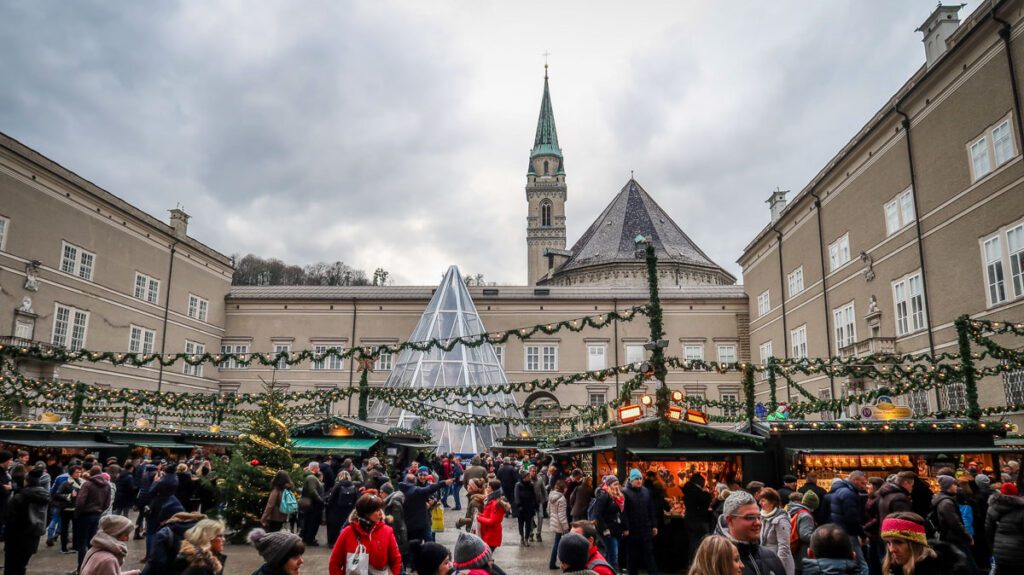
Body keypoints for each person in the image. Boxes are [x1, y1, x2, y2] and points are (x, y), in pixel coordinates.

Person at [329, 493, 401, 575]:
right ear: (366, 513)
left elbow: (396, 560)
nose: (381, 514)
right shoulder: (347, 532)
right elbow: (334, 563)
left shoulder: (387, 531)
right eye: (377, 510)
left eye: (380, 510)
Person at [880, 512, 969, 575]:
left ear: (916, 544)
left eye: (898, 542)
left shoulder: (940, 569)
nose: (891, 549)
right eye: (888, 542)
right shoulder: (893, 567)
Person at [722, 491, 786, 575]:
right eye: (750, 518)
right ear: (730, 520)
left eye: (759, 517)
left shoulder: (772, 557)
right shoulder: (717, 560)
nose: (758, 523)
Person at [3, 467, 49, 575]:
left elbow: (9, 518)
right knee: (22, 565)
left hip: (16, 536)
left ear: (27, 481)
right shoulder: (45, 495)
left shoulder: (19, 497)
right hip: (33, 535)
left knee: (11, 566)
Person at [930, 475, 976, 575]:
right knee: (966, 563)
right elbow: (954, 523)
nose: (956, 486)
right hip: (954, 538)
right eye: (954, 484)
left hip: (950, 537)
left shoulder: (943, 499)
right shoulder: (946, 502)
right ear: (948, 486)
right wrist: (967, 536)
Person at [623, 467, 660, 575]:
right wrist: (626, 528)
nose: (639, 481)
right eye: (636, 479)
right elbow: (623, 513)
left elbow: (651, 509)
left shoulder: (646, 491)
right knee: (632, 556)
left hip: (646, 529)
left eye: (640, 478)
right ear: (631, 480)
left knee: (649, 554)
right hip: (632, 530)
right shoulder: (625, 492)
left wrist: (654, 525)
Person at [78, 464, 114, 568]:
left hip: (84, 515)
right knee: (92, 542)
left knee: (82, 543)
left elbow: (80, 501)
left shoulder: (87, 484)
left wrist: (78, 513)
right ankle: (91, 565)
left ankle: (81, 567)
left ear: (91, 473)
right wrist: (99, 510)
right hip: (97, 515)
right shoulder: (107, 485)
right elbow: (107, 503)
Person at [401, 471, 452, 543]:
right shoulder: (417, 490)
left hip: (411, 524)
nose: (422, 477)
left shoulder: (400, 492)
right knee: (428, 542)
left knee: (415, 544)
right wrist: (444, 483)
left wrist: (433, 502)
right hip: (422, 523)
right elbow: (431, 488)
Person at [829, 471, 867, 568]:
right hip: (848, 533)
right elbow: (852, 518)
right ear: (854, 480)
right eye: (862, 483)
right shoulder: (849, 494)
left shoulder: (840, 490)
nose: (865, 486)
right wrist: (862, 535)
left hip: (839, 531)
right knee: (861, 565)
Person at [983, 482, 1023, 575]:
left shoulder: (993, 507)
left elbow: (988, 531)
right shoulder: (1021, 508)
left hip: (999, 549)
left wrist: (992, 547)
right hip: (1019, 551)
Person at [592, 475, 627, 570]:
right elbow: (597, 513)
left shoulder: (617, 495)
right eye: (614, 484)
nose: (617, 486)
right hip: (608, 531)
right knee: (613, 556)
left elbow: (621, 513)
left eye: (617, 484)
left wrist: (624, 528)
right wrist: (605, 529)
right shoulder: (603, 495)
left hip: (616, 529)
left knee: (610, 553)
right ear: (608, 485)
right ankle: (612, 572)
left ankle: (605, 571)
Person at [760, 488, 795, 575]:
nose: (760, 503)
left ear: (772, 502)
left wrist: (777, 568)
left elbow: (784, 547)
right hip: (767, 562)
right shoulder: (763, 517)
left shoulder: (781, 520)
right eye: (760, 500)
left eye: (763, 500)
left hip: (779, 565)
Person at [684, 472, 714, 565]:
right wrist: (706, 492)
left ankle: (691, 563)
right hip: (699, 520)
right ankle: (698, 564)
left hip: (689, 519)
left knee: (692, 542)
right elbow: (705, 503)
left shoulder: (687, 490)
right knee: (699, 543)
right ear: (700, 482)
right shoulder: (698, 492)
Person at [475, 479, 511, 551]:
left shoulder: (495, 503)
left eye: (488, 487)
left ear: (492, 489)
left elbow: (493, 521)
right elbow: (488, 516)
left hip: (491, 536)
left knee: (487, 559)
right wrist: (480, 515)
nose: (486, 488)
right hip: (487, 534)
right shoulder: (491, 500)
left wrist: (479, 518)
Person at [325, 470, 359, 546]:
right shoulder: (353, 486)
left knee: (334, 527)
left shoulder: (338, 485)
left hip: (336, 510)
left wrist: (329, 505)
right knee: (346, 526)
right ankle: (344, 542)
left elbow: (331, 498)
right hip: (348, 510)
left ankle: (332, 542)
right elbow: (356, 499)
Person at [788, 492, 816, 573]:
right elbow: (805, 535)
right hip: (802, 551)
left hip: (795, 549)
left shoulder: (793, 510)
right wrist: (818, 538)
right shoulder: (805, 515)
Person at [549, 479, 572, 570]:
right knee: (559, 545)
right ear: (562, 488)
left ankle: (552, 563)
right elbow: (562, 515)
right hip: (560, 523)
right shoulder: (562, 499)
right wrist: (566, 527)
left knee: (557, 543)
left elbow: (548, 509)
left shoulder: (551, 495)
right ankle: (560, 563)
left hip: (554, 521)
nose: (566, 489)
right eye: (565, 487)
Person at [300, 462, 324, 546]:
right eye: (318, 468)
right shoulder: (311, 478)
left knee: (308, 521)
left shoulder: (309, 477)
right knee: (312, 522)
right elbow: (312, 491)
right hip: (313, 505)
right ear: (314, 469)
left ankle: (306, 538)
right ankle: (309, 539)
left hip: (311, 504)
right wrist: (320, 500)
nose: (319, 470)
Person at [514, 469, 539, 546]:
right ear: (524, 477)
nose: (529, 477)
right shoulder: (518, 485)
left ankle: (526, 538)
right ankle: (522, 537)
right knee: (521, 524)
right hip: (521, 508)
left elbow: (533, 495)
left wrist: (535, 505)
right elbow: (516, 496)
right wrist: (519, 505)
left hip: (529, 508)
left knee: (528, 524)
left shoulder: (531, 485)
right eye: (528, 476)